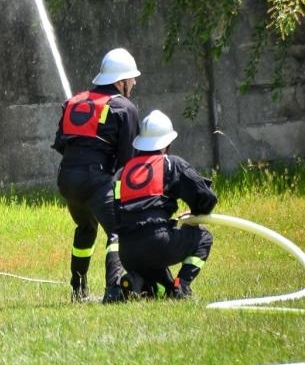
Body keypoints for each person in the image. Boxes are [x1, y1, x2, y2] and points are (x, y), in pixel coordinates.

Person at [52, 47, 142, 303]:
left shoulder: (74, 102)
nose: (134, 82)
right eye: (131, 78)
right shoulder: (124, 108)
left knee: (85, 227)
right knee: (118, 231)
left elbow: (61, 143)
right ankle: (114, 290)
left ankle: (78, 289)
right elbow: (128, 160)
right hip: (95, 180)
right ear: (119, 81)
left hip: (67, 179)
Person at [115, 109, 217, 299]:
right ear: (167, 144)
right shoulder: (171, 164)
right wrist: (195, 215)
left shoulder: (123, 172)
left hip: (128, 252)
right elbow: (206, 197)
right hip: (158, 244)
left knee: (161, 291)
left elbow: (115, 212)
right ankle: (182, 287)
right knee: (203, 238)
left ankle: (138, 282)